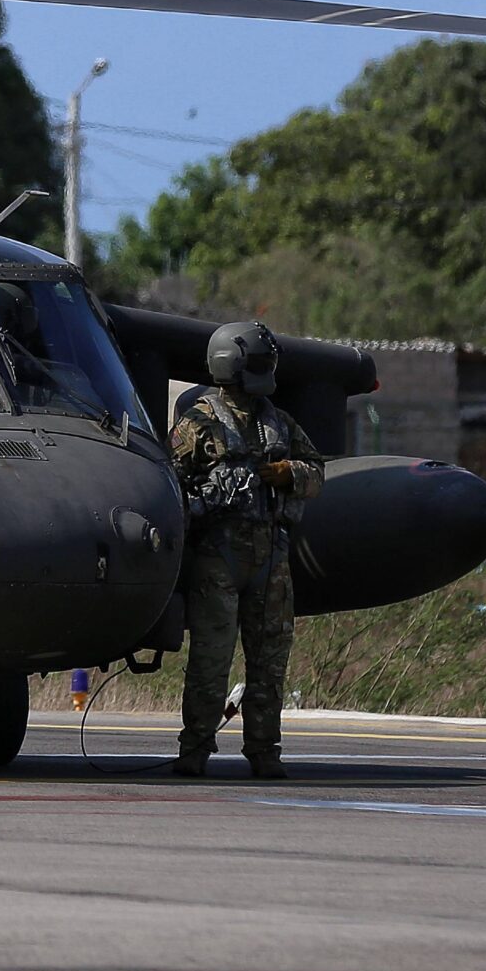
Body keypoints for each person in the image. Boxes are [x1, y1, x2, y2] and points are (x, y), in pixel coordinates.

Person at [171, 320, 324, 779]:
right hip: (218, 553)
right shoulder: (197, 421)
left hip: (270, 553)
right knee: (210, 660)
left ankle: (264, 751)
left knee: (270, 660)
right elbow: (170, 481)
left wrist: (287, 473)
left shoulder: (278, 421)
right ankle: (194, 749)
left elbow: (316, 472)